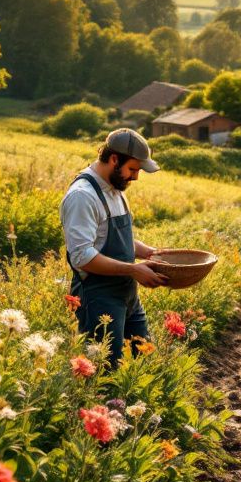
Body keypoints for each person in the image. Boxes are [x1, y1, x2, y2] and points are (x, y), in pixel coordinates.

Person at [60, 128, 167, 368]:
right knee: (105, 372)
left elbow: (115, 238)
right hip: (98, 297)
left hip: (127, 295)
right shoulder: (83, 196)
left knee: (143, 363)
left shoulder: (115, 189)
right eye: (133, 169)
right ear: (114, 159)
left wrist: (148, 252)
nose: (136, 177)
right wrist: (133, 269)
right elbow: (82, 256)